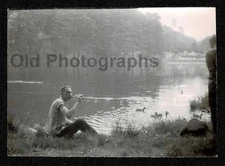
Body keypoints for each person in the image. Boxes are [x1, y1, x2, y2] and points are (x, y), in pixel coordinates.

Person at [206, 34, 217, 134]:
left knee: (214, 110)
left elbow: (212, 71)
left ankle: (216, 134)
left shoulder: (210, 53)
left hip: (214, 85)